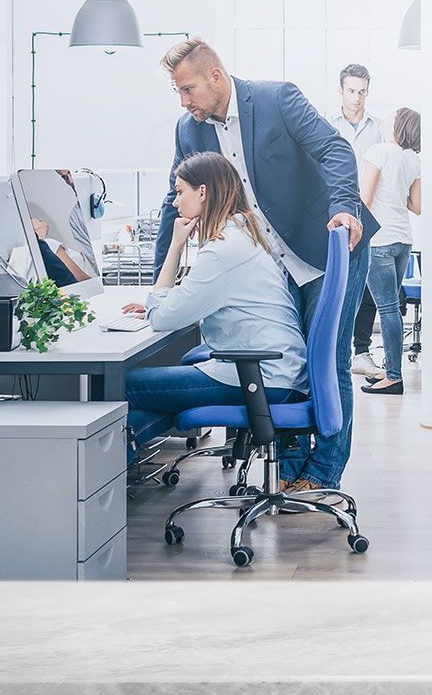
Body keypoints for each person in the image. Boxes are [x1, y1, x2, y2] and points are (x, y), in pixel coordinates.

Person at [156, 38, 376, 494]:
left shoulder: (276, 99)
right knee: (289, 366)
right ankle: (290, 470)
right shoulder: (189, 129)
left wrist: (345, 208)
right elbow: (172, 203)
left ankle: (322, 473)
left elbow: (336, 151)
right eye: (177, 92)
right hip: (272, 267)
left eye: (188, 89)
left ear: (215, 76)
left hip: (327, 248)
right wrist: (163, 280)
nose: (184, 101)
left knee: (328, 362)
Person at [122, 152, 307, 462]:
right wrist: (164, 303)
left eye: (180, 191)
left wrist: (176, 245)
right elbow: (188, 302)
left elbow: (162, 318)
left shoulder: (223, 250)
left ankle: (108, 469)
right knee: (161, 392)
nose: (174, 203)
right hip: (278, 373)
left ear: (203, 192)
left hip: (263, 378)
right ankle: (120, 459)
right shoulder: (244, 235)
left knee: (125, 386)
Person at [334, 64, 391, 381]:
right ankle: (335, 350)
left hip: (370, 215)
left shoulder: (380, 129)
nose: (357, 97)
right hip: (336, 215)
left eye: (362, 91)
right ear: (340, 90)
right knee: (336, 284)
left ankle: (362, 351)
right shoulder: (326, 126)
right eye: (351, 90)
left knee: (367, 287)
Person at [359, 107, 422, 396]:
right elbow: (416, 206)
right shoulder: (412, 159)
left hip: (380, 241)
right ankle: (390, 370)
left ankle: (394, 377)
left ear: (398, 126)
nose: (387, 118)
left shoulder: (379, 151)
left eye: (393, 116)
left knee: (387, 310)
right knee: (391, 309)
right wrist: (396, 192)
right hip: (403, 241)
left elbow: (365, 200)